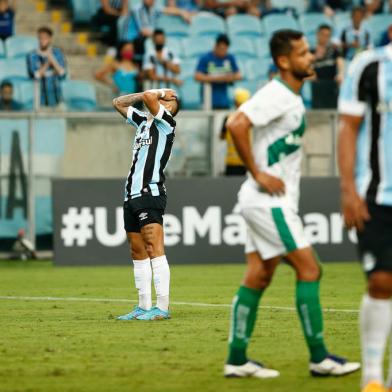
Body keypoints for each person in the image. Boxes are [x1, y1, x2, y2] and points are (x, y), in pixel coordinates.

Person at [223, 29, 360, 379]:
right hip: (269, 201)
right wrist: (257, 173)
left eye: (308, 51)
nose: (310, 57)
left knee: (259, 274)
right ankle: (320, 358)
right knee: (310, 269)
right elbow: (236, 123)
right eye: (301, 53)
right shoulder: (278, 94)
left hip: (262, 201)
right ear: (283, 61)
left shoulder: (291, 97)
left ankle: (237, 359)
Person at [338, 41, 392, 392]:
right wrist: (348, 191)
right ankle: (371, 375)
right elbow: (348, 128)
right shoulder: (370, 66)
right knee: (381, 282)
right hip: (378, 196)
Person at [112, 88, 180, 321]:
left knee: (153, 247)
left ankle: (162, 307)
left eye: (166, 98)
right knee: (137, 250)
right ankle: (143, 305)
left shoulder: (166, 123)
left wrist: (158, 92)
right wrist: (144, 93)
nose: (160, 97)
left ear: (169, 106)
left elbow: (151, 99)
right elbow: (118, 103)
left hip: (149, 192)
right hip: (131, 194)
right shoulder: (143, 122)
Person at [195, 34, 242, 110]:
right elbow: (197, 76)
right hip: (209, 100)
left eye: (225, 49)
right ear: (215, 46)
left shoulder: (230, 58)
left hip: (224, 101)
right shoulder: (206, 58)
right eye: (221, 49)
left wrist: (229, 78)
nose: (223, 52)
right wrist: (220, 78)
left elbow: (239, 75)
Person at [27, 26, 66, 108]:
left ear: (50, 39)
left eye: (45, 38)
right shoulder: (32, 55)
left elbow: (62, 73)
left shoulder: (57, 52)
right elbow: (36, 75)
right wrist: (48, 62)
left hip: (57, 97)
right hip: (40, 99)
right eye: (40, 38)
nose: (42, 40)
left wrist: (52, 59)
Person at [311, 24, 345, 108]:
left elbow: (340, 61)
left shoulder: (334, 50)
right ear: (317, 34)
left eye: (328, 36)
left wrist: (340, 73)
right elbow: (306, 67)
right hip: (317, 83)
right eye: (323, 35)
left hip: (332, 82)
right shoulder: (311, 50)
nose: (325, 38)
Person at [220, 88, 250, 176]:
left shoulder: (228, 118)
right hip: (246, 161)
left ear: (235, 102)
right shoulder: (250, 119)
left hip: (231, 162)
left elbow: (221, 136)